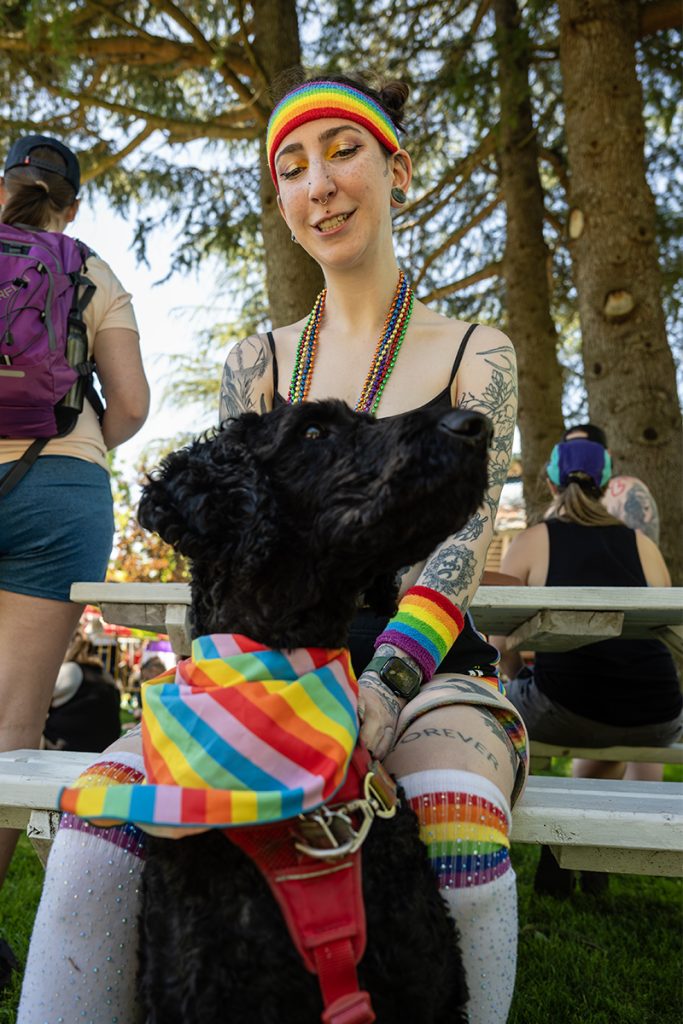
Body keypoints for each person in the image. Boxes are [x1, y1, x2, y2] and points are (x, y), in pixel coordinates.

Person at [19, 77, 527, 1024]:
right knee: (94, 842)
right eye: (292, 167)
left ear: (397, 169)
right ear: (282, 200)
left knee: (457, 842)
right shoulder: (256, 362)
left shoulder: (478, 350)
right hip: (258, 681)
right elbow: (231, 560)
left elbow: (458, 545)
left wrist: (377, 695)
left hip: (427, 678)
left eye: (343, 151)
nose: (318, 184)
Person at [0, 135, 148, 986]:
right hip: (60, 489)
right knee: (13, 723)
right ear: (73, 203)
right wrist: (84, 443)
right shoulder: (90, 266)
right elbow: (131, 402)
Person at [492, 438, 682, 892]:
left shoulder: (532, 541)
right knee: (604, 721)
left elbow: (499, 642)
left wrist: (516, 674)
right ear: (606, 484)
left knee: (497, 706)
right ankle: (583, 852)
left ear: (550, 482)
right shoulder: (642, 544)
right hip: (658, 715)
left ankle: (544, 837)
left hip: (568, 709)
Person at [562, 422, 661, 542]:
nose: (578, 457)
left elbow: (645, 548)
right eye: (570, 451)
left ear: (606, 454)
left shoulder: (626, 489)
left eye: (586, 449)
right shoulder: (559, 500)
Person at [43, 629, 121, 752]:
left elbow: (36, 703)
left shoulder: (70, 670)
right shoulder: (105, 675)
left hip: (67, 748)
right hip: (103, 749)